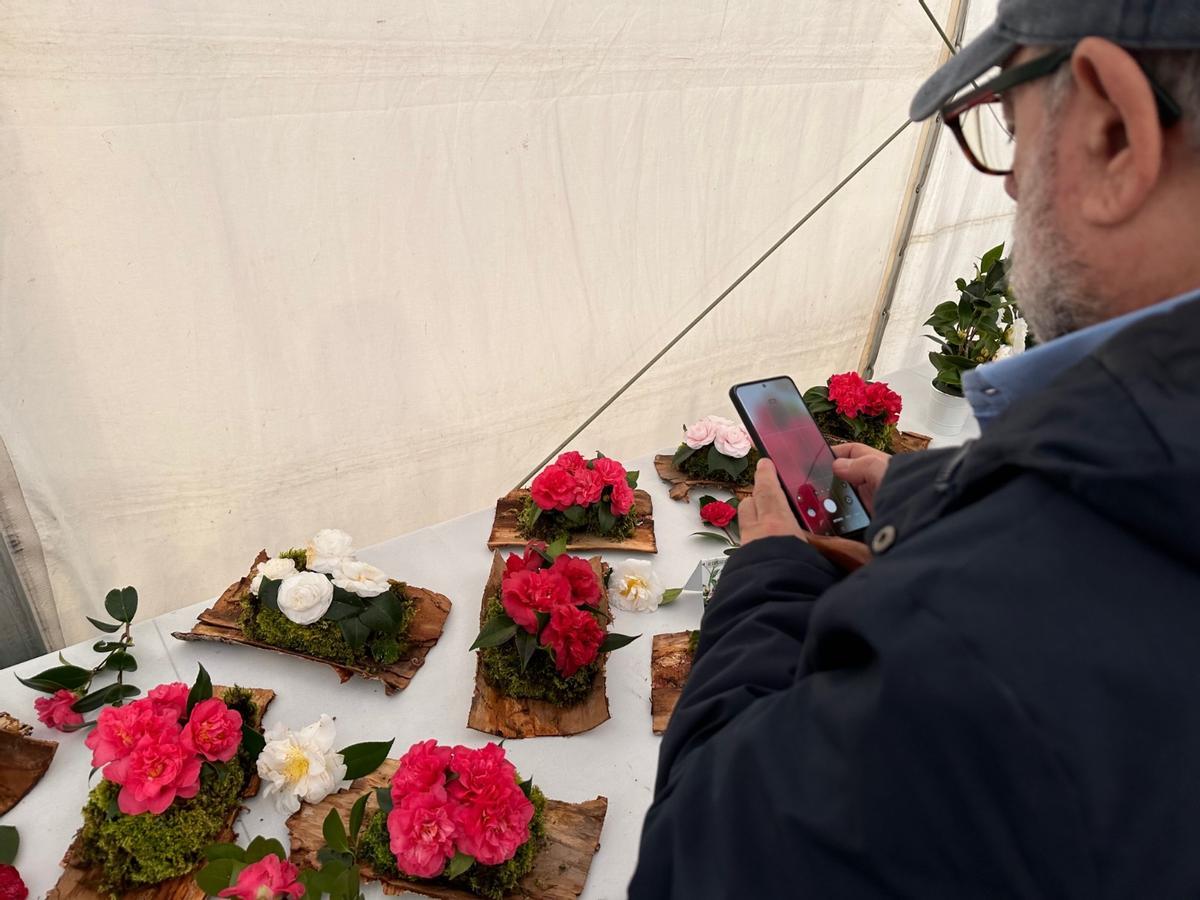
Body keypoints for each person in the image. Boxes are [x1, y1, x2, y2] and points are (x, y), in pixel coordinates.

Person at [630, 0, 1200, 896]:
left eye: (1011, 129)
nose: (1011, 185)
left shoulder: (987, 638)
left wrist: (774, 567)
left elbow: (700, 861)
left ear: (1114, 127)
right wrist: (927, 487)